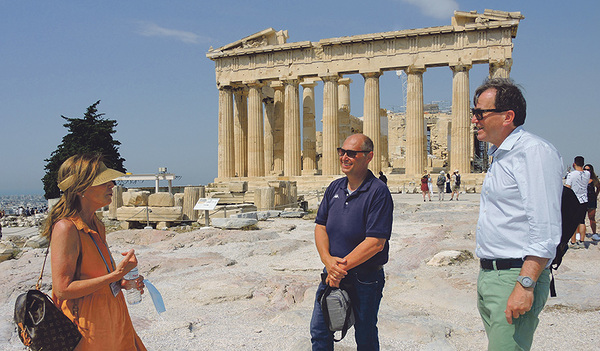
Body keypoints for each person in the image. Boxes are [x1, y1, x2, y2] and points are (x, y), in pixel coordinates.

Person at [472, 78, 563, 350]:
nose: (474, 119)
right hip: (492, 275)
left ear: (507, 116)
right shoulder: (501, 155)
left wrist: (525, 284)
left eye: (480, 113)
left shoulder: (532, 153)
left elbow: (546, 228)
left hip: (515, 276)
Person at [41, 153, 147, 351]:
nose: (112, 185)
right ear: (82, 188)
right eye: (104, 181)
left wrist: (122, 283)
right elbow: (63, 289)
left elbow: (97, 278)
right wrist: (116, 274)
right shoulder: (66, 228)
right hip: (86, 330)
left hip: (114, 318)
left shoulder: (97, 224)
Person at [310, 133, 393, 350]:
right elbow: (320, 226)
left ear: (368, 157)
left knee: (365, 334)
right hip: (331, 273)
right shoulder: (334, 188)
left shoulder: (378, 192)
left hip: (364, 276)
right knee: (319, 331)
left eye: (351, 153)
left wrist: (339, 268)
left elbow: (376, 242)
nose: (344, 157)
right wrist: (328, 262)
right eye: (342, 152)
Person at [565, 156, 590, 246]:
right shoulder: (587, 174)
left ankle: (573, 241)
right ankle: (582, 241)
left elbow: (568, 187)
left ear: (574, 164)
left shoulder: (571, 175)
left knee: (573, 221)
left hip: (574, 199)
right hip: (584, 199)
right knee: (582, 221)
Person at [585, 164, 600, 241]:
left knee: (592, 217)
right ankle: (579, 234)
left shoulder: (594, 179)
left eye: (588, 170)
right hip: (583, 200)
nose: (587, 171)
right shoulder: (582, 178)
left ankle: (594, 233)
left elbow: (598, 187)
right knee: (580, 218)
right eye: (585, 169)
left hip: (591, 200)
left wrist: (595, 195)